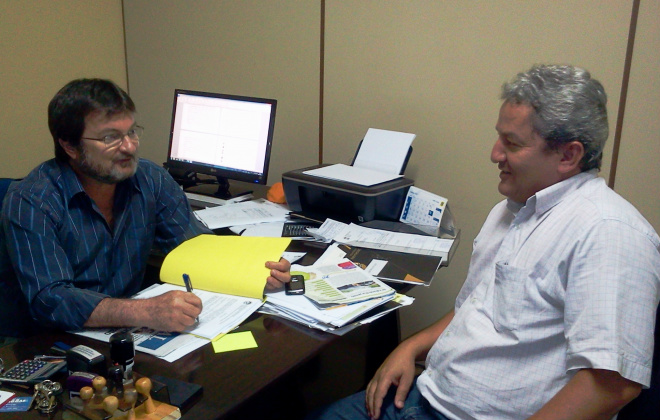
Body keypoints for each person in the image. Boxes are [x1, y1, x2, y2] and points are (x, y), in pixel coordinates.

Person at [311, 64, 660, 420]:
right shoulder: (512, 209)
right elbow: (476, 307)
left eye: (512, 143)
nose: (495, 154)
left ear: (568, 156)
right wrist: (410, 347)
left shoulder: (609, 232)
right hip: (428, 395)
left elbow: (611, 385)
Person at [0, 78, 291, 338]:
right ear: (70, 147)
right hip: (52, 347)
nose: (129, 147)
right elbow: (51, 300)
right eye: (110, 137)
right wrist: (143, 311)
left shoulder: (149, 179)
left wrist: (257, 273)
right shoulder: (32, 200)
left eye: (131, 132)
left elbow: (196, 248)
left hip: (128, 337)